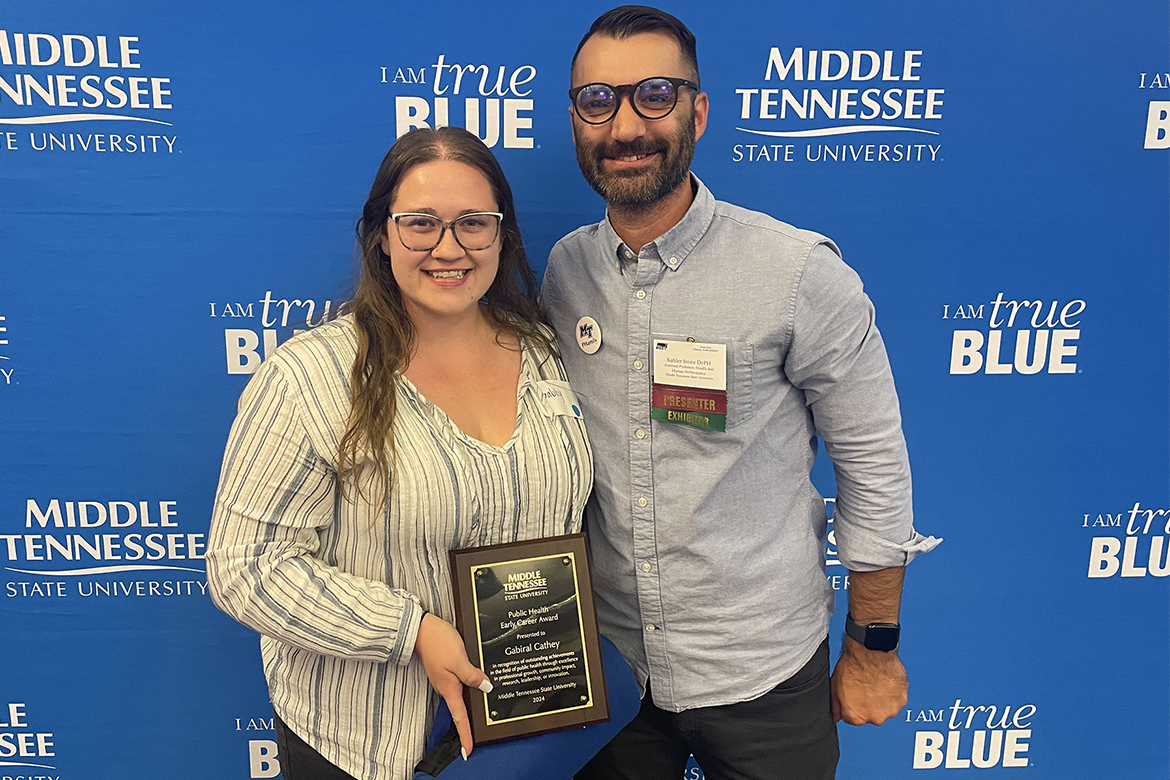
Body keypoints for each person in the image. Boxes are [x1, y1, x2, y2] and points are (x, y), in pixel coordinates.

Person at [539, 7, 940, 779]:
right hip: (611, 676)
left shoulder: (799, 275)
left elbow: (875, 470)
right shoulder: (565, 272)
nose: (625, 125)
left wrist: (873, 646)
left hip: (763, 677)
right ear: (575, 120)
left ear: (700, 110)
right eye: (598, 101)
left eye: (655, 94)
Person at [207, 126, 593, 780]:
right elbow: (244, 566)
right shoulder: (309, 377)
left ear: (503, 235)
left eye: (474, 222)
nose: (448, 247)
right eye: (420, 223)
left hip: (527, 732)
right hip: (371, 746)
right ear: (382, 235)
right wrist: (410, 629)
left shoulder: (548, 355)